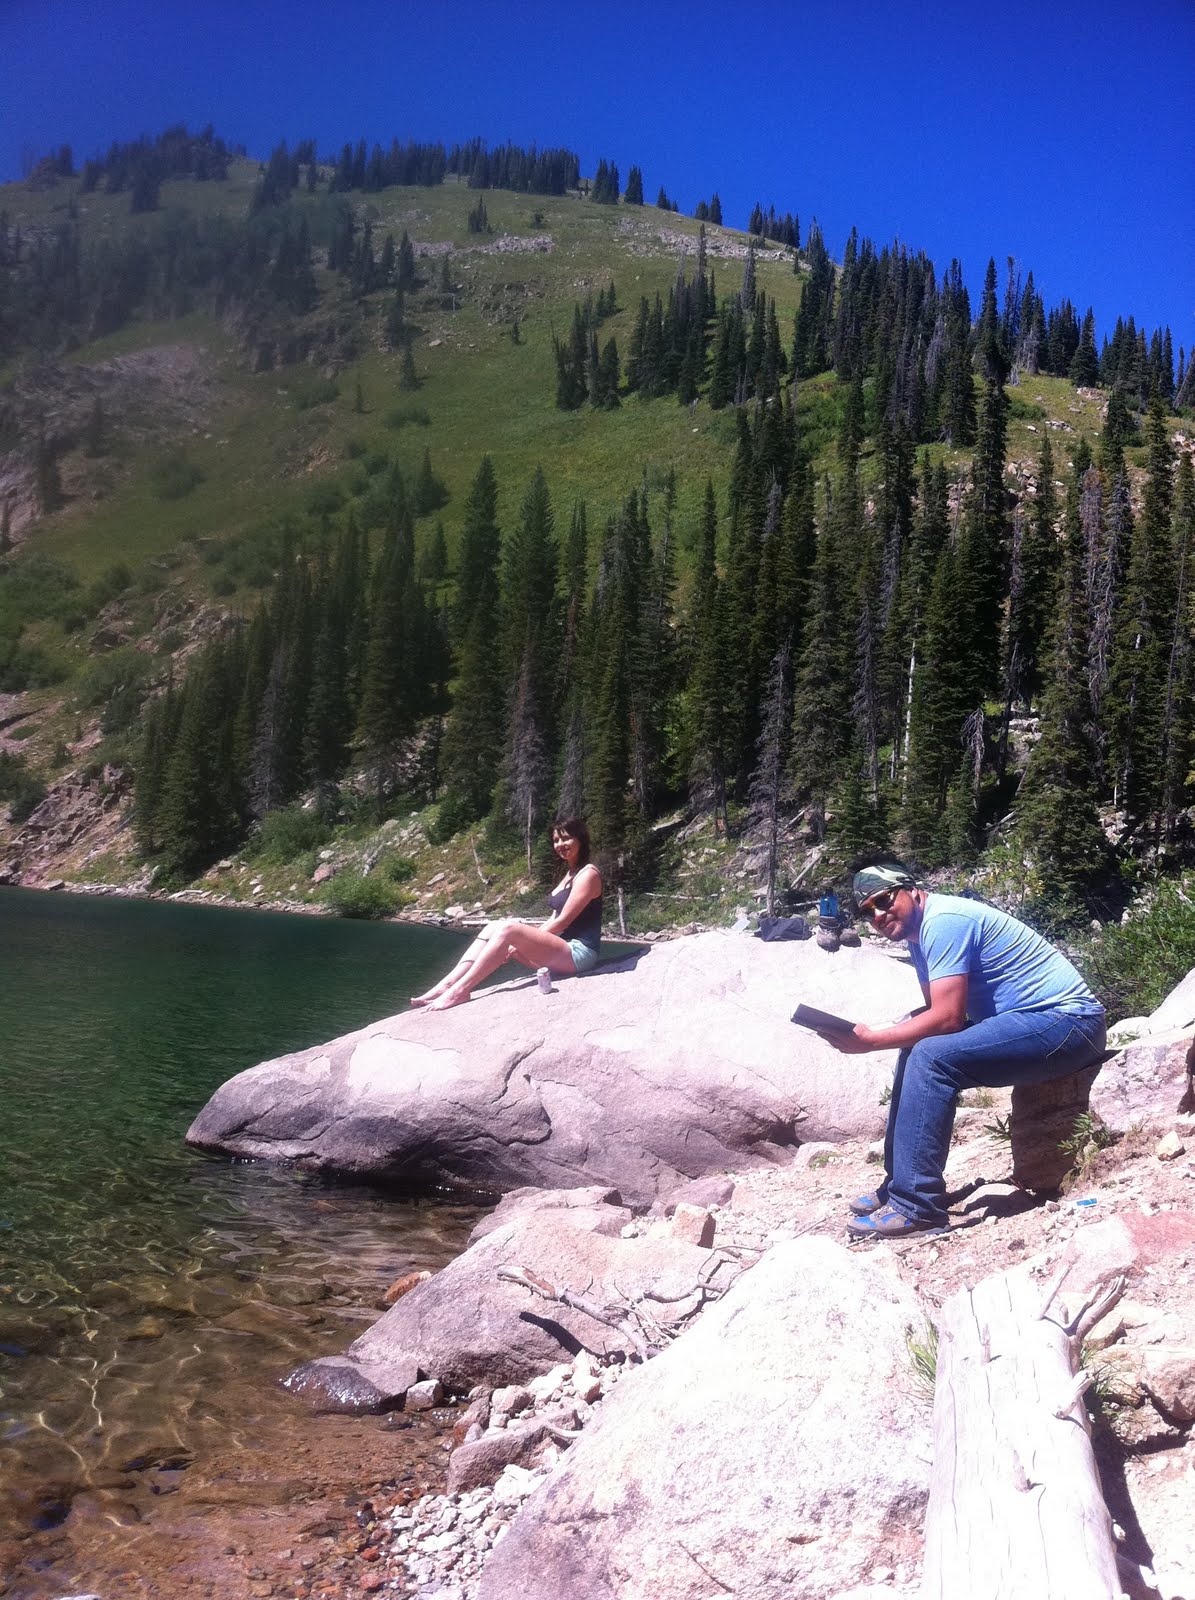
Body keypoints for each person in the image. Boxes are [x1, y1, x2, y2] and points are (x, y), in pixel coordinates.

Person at [822, 862, 1106, 1238]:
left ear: (912, 891)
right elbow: (938, 1011)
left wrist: (872, 1040)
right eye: (867, 912)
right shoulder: (918, 936)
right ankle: (900, 1184)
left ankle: (917, 1208)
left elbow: (947, 1020)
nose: (877, 915)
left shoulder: (944, 921)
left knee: (930, 1057)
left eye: (884, 900)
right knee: (915, 1047)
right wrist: (896, 1029)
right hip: (1040, 1024)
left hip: (1069, 1025)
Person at [410, 818, 602, 1011]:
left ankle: (460, 991)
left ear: (580, 839)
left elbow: (563, 921)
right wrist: (526, 939)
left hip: (580, 954)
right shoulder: (570, 873)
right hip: (563, 949)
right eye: (556, 840)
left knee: (508, 929)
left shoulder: (588, 874)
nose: (560, 845)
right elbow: (554, 917)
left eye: (565, 838)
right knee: (494, 926)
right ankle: (448, 984)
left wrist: (518, 941)